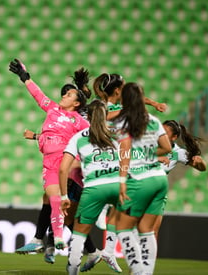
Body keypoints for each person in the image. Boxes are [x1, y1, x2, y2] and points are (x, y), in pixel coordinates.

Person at [9, 59, 89, 249]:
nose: (64, 95)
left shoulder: (78, 121)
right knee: (55, 200)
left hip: (67, 163)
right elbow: (38, 94)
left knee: (67, 198)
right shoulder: (52, 108)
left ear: (76, 103)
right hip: (49, 164)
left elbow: (97, 134)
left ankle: (55, 239)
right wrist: (25, 78)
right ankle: (58, 239)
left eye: (69, 95)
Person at [59, 99, 131, 275]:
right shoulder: (118, 133)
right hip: (117, 185)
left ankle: (73, 268)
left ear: (88, 116)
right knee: (131, 228)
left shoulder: (79, 137)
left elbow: (63, 169)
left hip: (93, 188)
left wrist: (63, 197)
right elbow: (128, 155)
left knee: (79, 232)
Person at [113, 82, 172, 275]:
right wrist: (148, 154)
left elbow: (125, 153)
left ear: (124, 98)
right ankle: (146, 272)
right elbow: (167, 148)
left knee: (122, 227)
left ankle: (138, 271)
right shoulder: (153, 120)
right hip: (160, 179)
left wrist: (122, 181)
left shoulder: (124, 121)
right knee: (146, 228)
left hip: (139, 180)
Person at [153, 119, 207, 239]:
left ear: (174, 137)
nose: (159, 133)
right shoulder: (148, 145)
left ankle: (148, 258)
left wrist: (201, 162)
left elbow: (202, 168)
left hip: (157, 194)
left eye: (164, 132)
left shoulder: (177, 153)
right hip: (139, 188)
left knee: (152, 232)